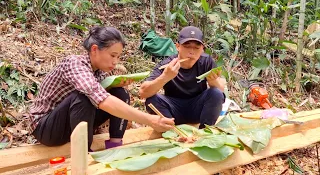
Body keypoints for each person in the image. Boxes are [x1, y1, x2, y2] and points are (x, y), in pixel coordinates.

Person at [28, 26, 174, 150]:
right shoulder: (74, 63)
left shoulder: (99, 71)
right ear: (94, 49)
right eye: (113, 55)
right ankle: (84, 153)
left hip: (72, 126)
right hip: (46, 128)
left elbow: (108, 97)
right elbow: (101, 99)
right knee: (84, 97)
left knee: (120, 92)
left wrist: (115, 85)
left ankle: (115, 145)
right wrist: (150, 120)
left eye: (118, 57)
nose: (115, 62)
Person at [139, 26, 226, 129]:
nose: (192, 52)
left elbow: (220, 92)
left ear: (202, 49)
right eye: (187, 46)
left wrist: (213, 81)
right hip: (173, 109)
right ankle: (170, 128)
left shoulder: (206, 61)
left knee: (216, 93)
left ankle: (205, 131)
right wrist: (165, 77)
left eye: (196, 48)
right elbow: (143, 92)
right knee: (152, 100)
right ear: (177, 46)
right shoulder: (169, 64)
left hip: (197, 108)